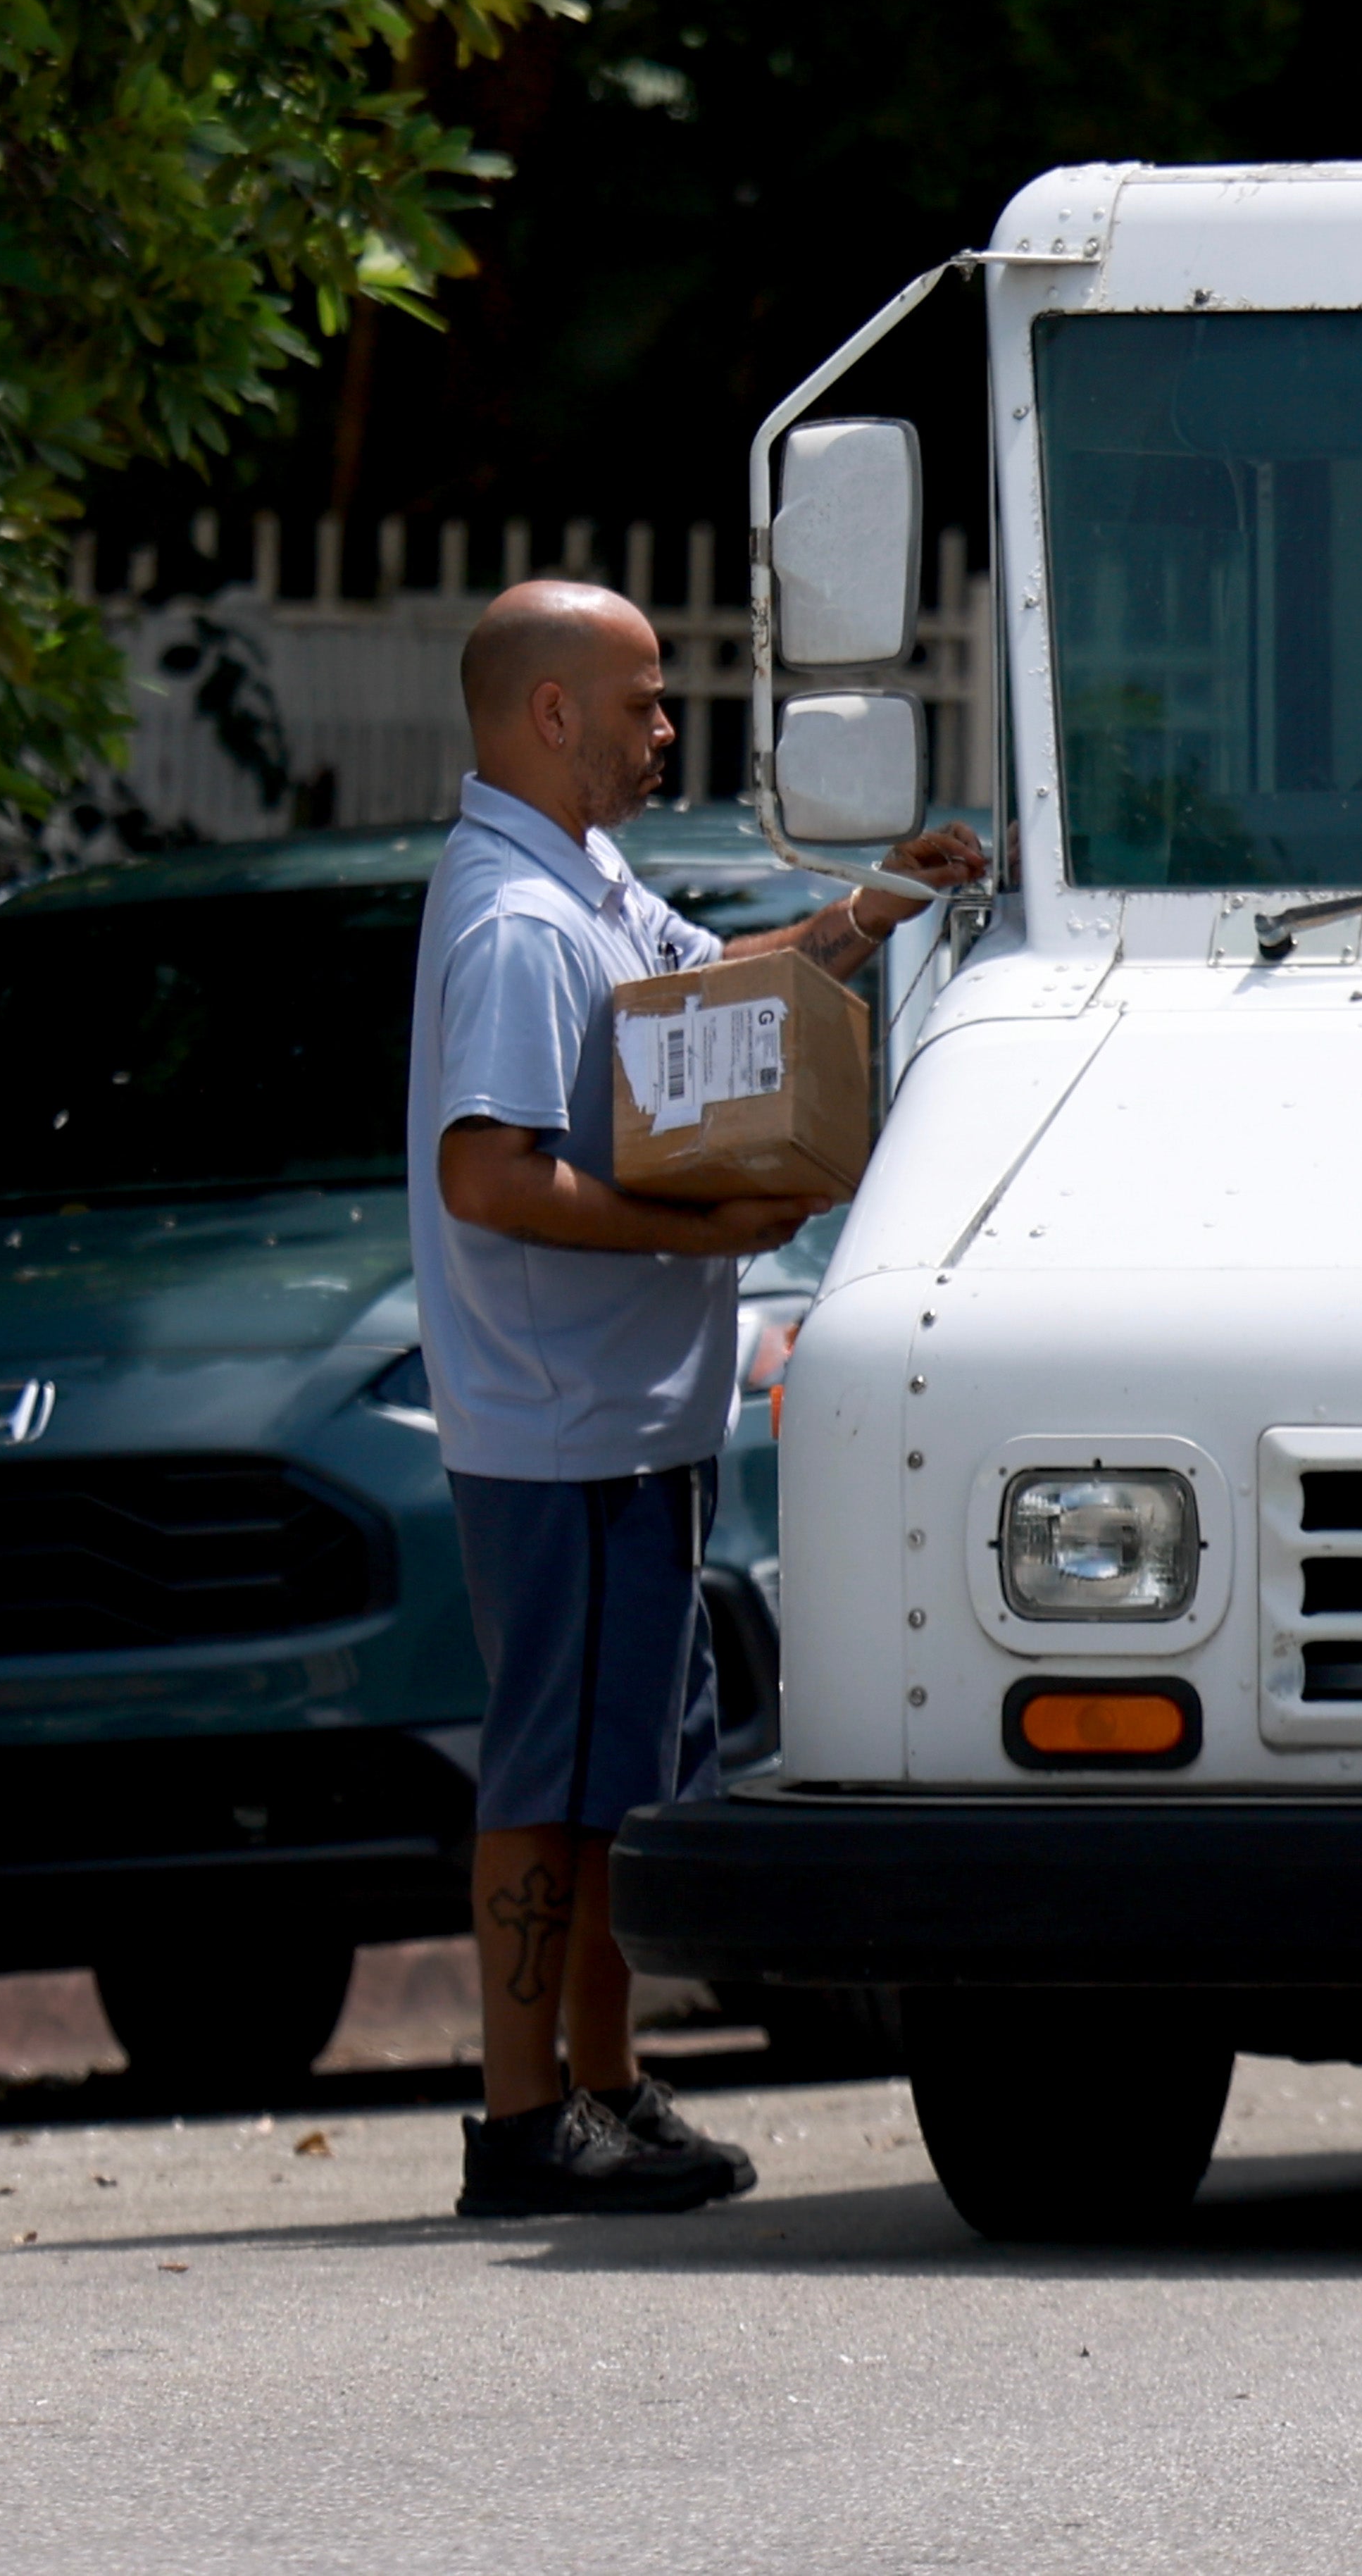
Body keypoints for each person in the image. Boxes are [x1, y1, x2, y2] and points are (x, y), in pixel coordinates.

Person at [413, 579, 985, 2218]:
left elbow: (719, 986)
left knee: (628, 1789)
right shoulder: (516, 923)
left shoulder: (578, 879)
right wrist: (706, 1226)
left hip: (626, 1414)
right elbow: (487, 1173)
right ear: (548, 715)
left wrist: (869, 909)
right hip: (561, 1424)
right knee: (554, 1783)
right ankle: (525, 2123)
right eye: (644, 703)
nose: (667, 731)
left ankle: (607, 2092)